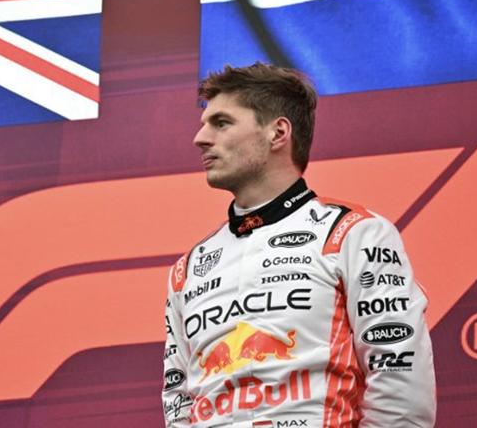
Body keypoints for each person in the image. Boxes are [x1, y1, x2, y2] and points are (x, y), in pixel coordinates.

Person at [161, 63, 436, 427]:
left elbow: (401, 380)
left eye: (222, 123)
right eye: (204, 123)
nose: (200, 138)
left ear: (278, 132)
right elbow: (178, 398)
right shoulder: (190, 267)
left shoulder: (354, 233)